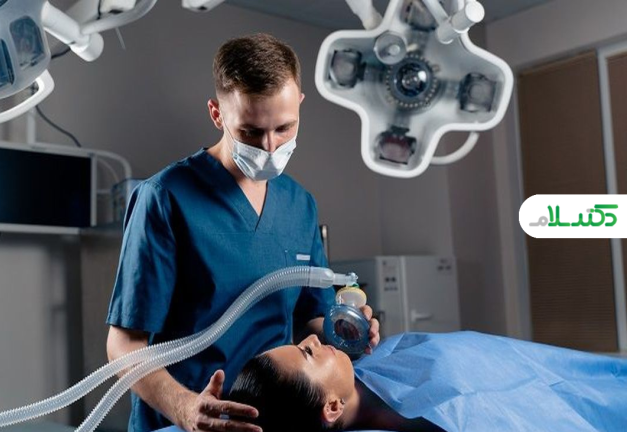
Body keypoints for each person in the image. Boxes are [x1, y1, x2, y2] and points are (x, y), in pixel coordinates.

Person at [105, 33, 381, 432]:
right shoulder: (165, 199)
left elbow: (311, 317)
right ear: (217, 114)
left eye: (284, 128)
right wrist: (185, 408)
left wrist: (346, 332)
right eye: (251, 132)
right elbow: (123, 344)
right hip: (185, 423)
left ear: (299, 105)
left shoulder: (299, 205)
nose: (269, 147)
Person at [228, 332, 627, 432]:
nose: (313, 338)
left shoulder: (385, 357)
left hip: (567, 374)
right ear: (331, 407)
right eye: (307, 353)